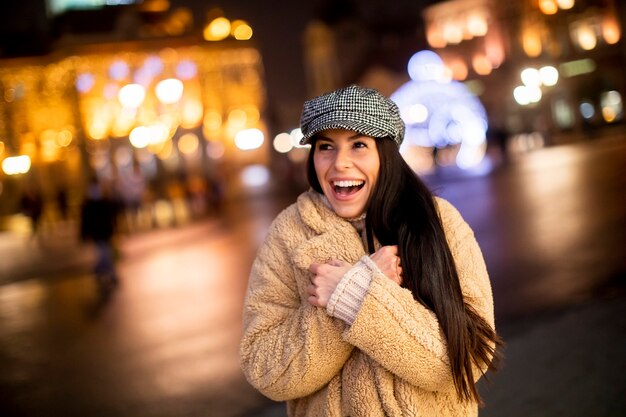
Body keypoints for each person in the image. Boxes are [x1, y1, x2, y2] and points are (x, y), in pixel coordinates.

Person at [240, 85, 502, 416]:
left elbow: (469, 359)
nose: (340, 164)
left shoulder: (440, 222)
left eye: (359, 145)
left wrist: (355, 294)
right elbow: (266, 371)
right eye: (326, 148)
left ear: (386, 154)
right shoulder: (288, 234)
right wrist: (350, 296)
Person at [80, 176, 120, 295]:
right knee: (104, 253)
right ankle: (106, 273)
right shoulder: (89, 204)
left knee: (105, 253)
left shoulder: (104, 201)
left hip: (105, 233)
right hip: (98, 234)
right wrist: (84, 234)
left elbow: (112, 216)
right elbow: (85, 221)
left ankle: (103, 272)